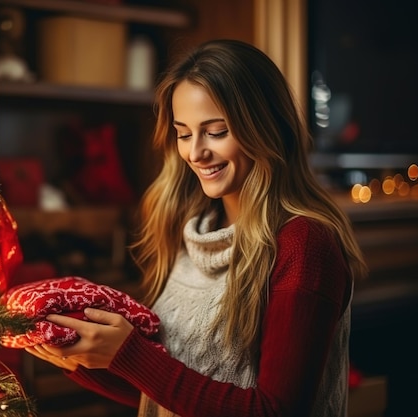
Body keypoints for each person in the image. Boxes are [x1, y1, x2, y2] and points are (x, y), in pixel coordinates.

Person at [24, 39, 368, 417]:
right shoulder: (193, 232)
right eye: (184, 133)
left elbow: (274, 411)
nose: (195, 152)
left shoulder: (303, 245)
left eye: (216, 131)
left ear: (266, 128)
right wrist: (80, 358)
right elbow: (171, 392)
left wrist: (131, 355)